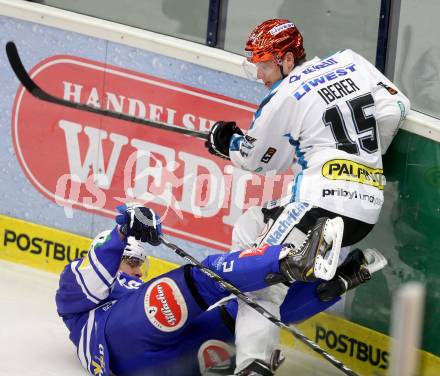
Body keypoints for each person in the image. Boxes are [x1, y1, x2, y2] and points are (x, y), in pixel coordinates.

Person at [205, 18, 409, 374]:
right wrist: (366, 162)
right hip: (364, 209)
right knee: (249, 228)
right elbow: (396, 108)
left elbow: (257, 161)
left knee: (260, 279)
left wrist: (225, 143)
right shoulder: (351, 61)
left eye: (265, 64)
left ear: (286, 59)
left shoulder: (283, 95)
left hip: (319, 207)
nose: (259, 74)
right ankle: (342, 276)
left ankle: (253, 366)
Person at [55, 203, 384, 375]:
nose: (136, 269)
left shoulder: (131, 289)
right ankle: (288, 260)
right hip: (118, 338)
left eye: (139, 263)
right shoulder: (77, 295)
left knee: (248, 309)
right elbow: (95, 269)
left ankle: (340, 280)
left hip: (155, 368)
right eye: (130, 262)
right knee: (205, 277)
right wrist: (122, 233)